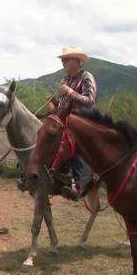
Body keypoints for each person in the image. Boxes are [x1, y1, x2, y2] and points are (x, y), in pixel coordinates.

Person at [49, 47, 97, 200]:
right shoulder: (65, 80)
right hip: (65, 120)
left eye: (66, 59)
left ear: (77, 61)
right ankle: (45, 173)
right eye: (63, 60)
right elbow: (61, 104)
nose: (63, 62)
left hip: (83, 121)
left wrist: (69, 91)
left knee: (73, 141)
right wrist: (54, 104)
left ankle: (79, 185)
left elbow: (89, 101)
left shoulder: (86, 77)